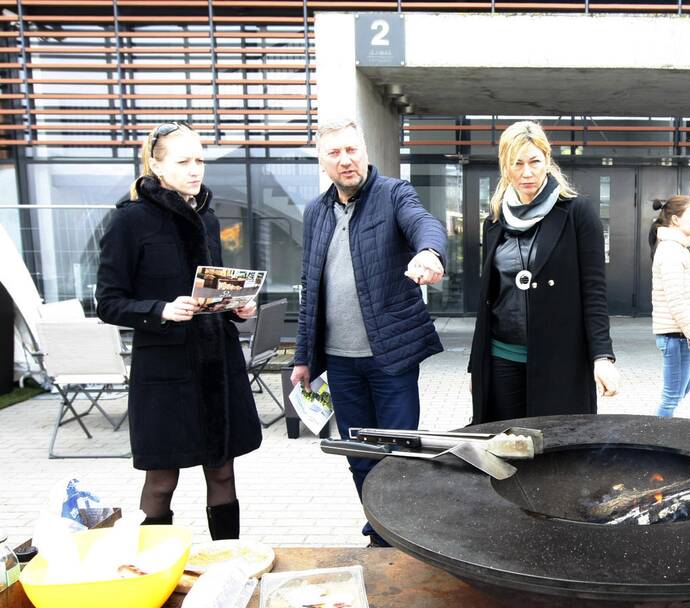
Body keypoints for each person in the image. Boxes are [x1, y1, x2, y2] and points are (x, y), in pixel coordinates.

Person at [96, 121, 262, 539]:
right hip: (164, 372)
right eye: (184, 161)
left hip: (218, 367)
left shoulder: (207, 218)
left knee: (223, 474)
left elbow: (211, 288)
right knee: (161, 481)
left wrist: (236, 308)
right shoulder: (128, 222)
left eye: (200, 160)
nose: (196, 169)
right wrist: (162, 310)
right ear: (156, 164)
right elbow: (107, 302)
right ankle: (149, 574)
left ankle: (228, 565)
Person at [291, 118, 446, 547]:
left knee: (399, 454)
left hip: (390, 358)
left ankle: (403, 531)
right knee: (360, 457)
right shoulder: (315, 212)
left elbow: (423, 223)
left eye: (352, 149)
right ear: (322, 162)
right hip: (340, 364)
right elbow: (310, 288)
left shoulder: (394, 194)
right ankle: (380, 530)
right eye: (335, 153)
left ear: (364, 151)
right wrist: (304, 357)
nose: (346, 160)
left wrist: (430, 252)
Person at [469, 120, 619, 423]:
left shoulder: (577, 213)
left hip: (559, 359)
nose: (527, 172)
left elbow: (594, 292)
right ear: (505, 166)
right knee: (505, 449)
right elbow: (490, 298)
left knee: (557, 452)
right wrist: (477, 366)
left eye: (535, 161)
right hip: (501, 358)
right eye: (517, 163)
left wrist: (602, 357)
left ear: (547, 161)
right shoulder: (495, 220)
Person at [648, 195, 690, 417]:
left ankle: (657, 441)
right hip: (675, 337)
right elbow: (676, 301)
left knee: (680, 392)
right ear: (675, 220)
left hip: (681, 336)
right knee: (671, 398)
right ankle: (654, 445)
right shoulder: (670, 251)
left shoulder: (679, 249)